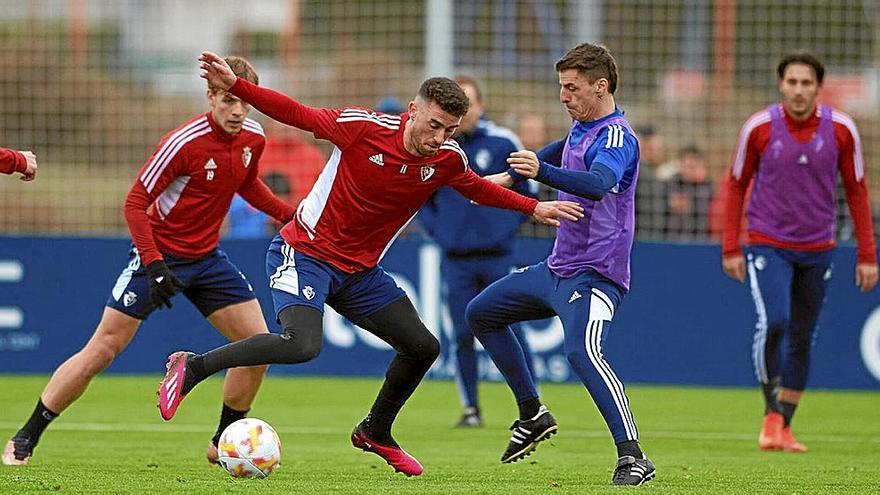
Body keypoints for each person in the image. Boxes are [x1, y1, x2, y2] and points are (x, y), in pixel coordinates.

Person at [154, 51, 585, 477]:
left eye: (449, 130)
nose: (438, 137)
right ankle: (192, 367)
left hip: (360, 274)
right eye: (433, 125)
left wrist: (532, 208)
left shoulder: (447, 157)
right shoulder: (363, 128)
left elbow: (474, 187)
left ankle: (376, 431)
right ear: (413, 110)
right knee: (301, 345)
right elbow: (297, 113)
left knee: (423, 347)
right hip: (305, 253)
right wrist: (238, 86)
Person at [2, 56, 295, 466]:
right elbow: (135, 203)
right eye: (228, 100)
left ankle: (222, 440)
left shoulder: (253, 137)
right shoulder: (183, 143)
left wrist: (290, 216)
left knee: (259, 346)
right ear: (211, 96)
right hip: (156, 256)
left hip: (208, 259)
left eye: (244, 102)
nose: (238, 110)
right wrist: (155, 265)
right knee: (103, 349)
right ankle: (25, 436)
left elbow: (246, 184)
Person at [472, 43, 655, 486]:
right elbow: (559, 150)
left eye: (571, 88)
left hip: (597, 274)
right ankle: (532, 412)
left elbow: (597, 183)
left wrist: (538, 172)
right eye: (561, 87)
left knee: (582, 353)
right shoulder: (581, 127)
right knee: (481, 313)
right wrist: (515, 174)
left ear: (601, 86)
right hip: (557, 268)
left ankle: (634, 456)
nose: (564, 96)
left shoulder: (617, 137)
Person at [721, 52, 878, 453]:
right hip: (767, 243)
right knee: (775, 321)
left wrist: (867, 254)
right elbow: (736, 183)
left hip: (819, 247)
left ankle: (783, 426)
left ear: (818, 88)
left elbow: (858, 190)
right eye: (792, 82)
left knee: (803, 337)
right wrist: (730, 245)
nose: (799, 90)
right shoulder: (758, 128)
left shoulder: (842, 130)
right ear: (781, 85)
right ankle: (771, 414)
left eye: (806, 83)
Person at [418, 76, 538, 428]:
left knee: (512, 329)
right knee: (462, 333)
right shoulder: (438, 148)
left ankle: (531, 406)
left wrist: (502, 229)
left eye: (467, 104)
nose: (463, 112)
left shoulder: (503, 142)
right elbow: (423, 197)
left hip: (498, 256)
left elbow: (528, 191)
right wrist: (442, 231)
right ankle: (471, 409)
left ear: (480, 107)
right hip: (456, 260)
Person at [663, 144, 714, 240]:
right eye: (689, 166)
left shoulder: (707, 187)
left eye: (695, 166)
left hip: (700, 240)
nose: (692, 170)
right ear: (680, 165)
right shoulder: (669, 185)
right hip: (671, 240)